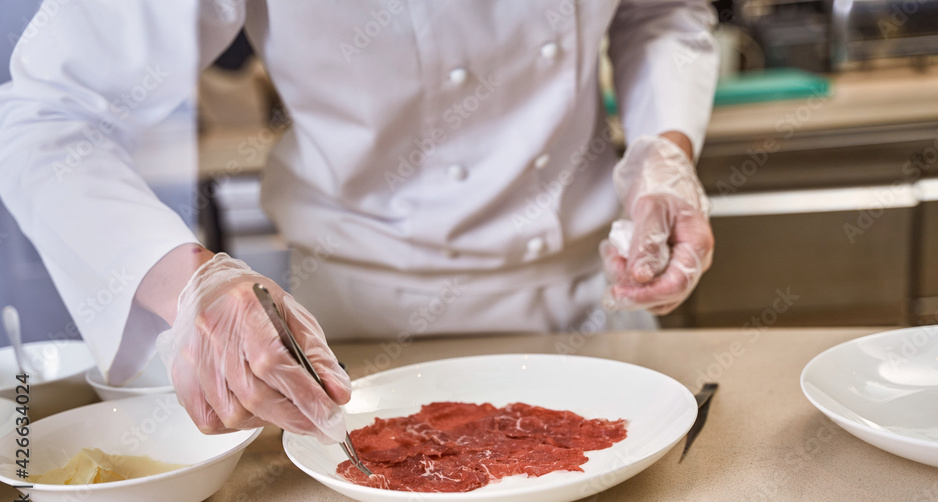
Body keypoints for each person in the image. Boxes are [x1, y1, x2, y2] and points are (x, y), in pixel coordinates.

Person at [0, 1, 718, 443]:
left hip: (589, 300)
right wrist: (193, 288)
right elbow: (47, 118)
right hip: (355, 339)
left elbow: (657, 11)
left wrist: (665, 145)